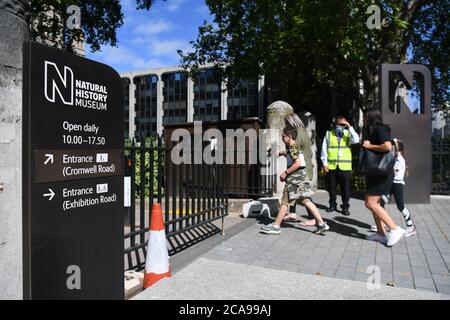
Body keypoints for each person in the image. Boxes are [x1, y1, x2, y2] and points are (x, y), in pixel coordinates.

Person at [261, 127, 329, 235]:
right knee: (306, 200)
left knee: (284, 202)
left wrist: (285, 173)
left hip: (294, 180)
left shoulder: (293, 147)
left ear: (289, 137)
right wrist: (283, 153)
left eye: (283, 136)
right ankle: (321, 224)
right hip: (301, 179)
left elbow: (297, 163)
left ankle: (276, 226)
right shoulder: (294, 147)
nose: (282, 138)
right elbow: (296, 157)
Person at [362, 109, 405, 246]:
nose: (363, 119)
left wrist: (369, 145)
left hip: (382, 173)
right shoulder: (372, 130)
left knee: (371, 203)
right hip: (375, 173)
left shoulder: (380, 129)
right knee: (376, 204)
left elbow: (387, 147)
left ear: (370, 116)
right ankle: (381, 234)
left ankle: (395, 229)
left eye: (365, 116)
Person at [370, 138, 417, 237]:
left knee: (400, 206)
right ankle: (383, 224)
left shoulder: (400, 160)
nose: (391, 147)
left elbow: (394, 173)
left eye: (393, 145)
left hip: (397, 185)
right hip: (391, 184)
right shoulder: (394, 158)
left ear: (398, 148)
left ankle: (411, 227)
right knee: (380, 203)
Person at [321, 115, 360, 215]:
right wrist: (325, 164)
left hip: (344, 167)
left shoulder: (348, 134)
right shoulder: (329, 134)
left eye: (344, 124)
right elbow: (324, 150)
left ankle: (345, 207)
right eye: (340, 124)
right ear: (335, 124)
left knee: (345, 189)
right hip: (332, 166)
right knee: (332, 188)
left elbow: (356, 140)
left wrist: (349, 127)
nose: (342, 126)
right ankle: (332, 204)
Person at [283, 113, 316, 226]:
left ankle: (314, 218)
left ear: (291, 122)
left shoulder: (297, 134)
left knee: (305, 195)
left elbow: (294, 150)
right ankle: (292, 213)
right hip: (305, 165)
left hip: (302, 168)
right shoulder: (302, 131)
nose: (285, 125)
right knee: (294, 190)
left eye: (286, 123)